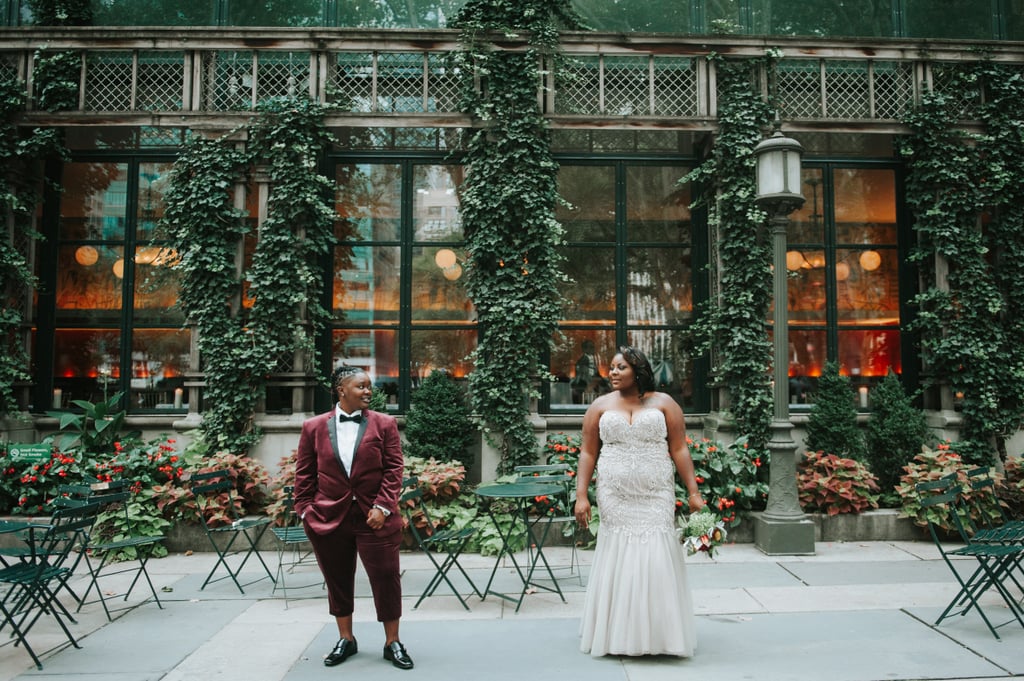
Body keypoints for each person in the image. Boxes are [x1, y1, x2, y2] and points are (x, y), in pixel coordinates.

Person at [574, 345, 705, 657]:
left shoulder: (665, 403)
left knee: (656, 556)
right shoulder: (600, 406)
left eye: (621, 367)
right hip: (614, 496)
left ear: (638, 370)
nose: (613, 373)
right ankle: (618, 633)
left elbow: (680, 449)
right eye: (612, 368)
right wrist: (581, 495)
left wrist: (694, 493)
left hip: (656, 493)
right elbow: (588, 452)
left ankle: (661, 636)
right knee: (619, 556)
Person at [293, 365, 414, 670]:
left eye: (369, 386)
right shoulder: (314, 427)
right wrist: (306, 511)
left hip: (375, 518)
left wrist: (383, 507)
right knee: (337, 580)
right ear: (341, 390)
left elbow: (394, 469)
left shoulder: (385, 424)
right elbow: (304, 475)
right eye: (360, 386)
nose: (368, 392)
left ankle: (392, 642)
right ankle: (346, 639)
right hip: (329, 517)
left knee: (386, 578)